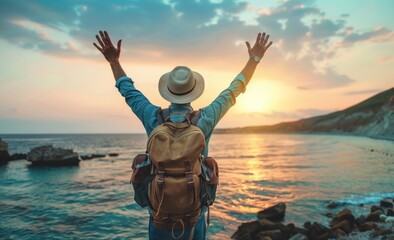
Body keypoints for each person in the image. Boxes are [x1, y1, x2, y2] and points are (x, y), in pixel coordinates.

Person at [93, 30, 272, 240]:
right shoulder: (206, 118)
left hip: (160, 213)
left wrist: (113, 61)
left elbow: (128, 90)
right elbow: (234, 89)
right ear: (194, 89)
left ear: (168, 89)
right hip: (194, 214)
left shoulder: (153, 117)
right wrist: (254, 59)